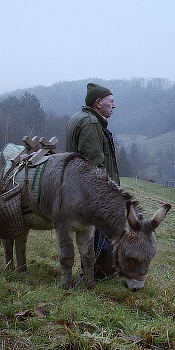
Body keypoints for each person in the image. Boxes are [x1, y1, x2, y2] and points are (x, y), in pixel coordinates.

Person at [66, 82, 120, 281]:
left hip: (79, 189)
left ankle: (97, 271)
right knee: (100, 234)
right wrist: (108, 194)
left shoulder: (79, 118)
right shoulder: (91, 123)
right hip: (93, 192)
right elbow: (94, 165)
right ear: (98, 103)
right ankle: (96, 273)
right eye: (111, 102)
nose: (114, 106)